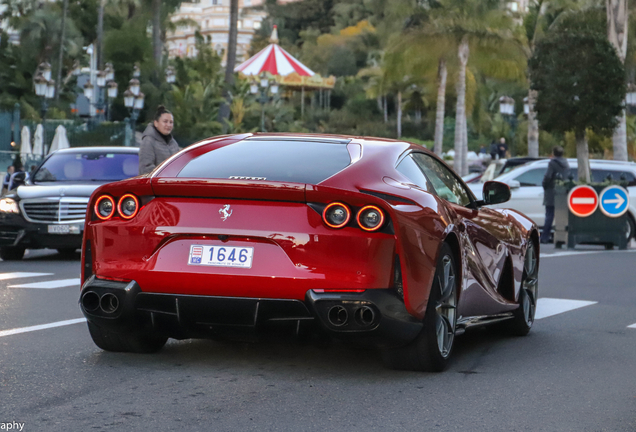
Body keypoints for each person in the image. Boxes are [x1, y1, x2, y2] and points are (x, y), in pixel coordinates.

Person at [540, 146, 570, 244]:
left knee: (549, 214)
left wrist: (545, 185)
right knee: (562, 214)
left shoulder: (552, 163)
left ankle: (545, 236)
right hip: (562, 190)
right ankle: (562, 236)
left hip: (551, 191)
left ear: (553, 153)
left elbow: (548, 176)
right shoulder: (566, 163)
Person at [139, 106, 179, 175]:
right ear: (156, 123)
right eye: (165, 121)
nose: (168, 125)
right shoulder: (148, 141)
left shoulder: (173, 143)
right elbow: (146, 168)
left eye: (171, 122)